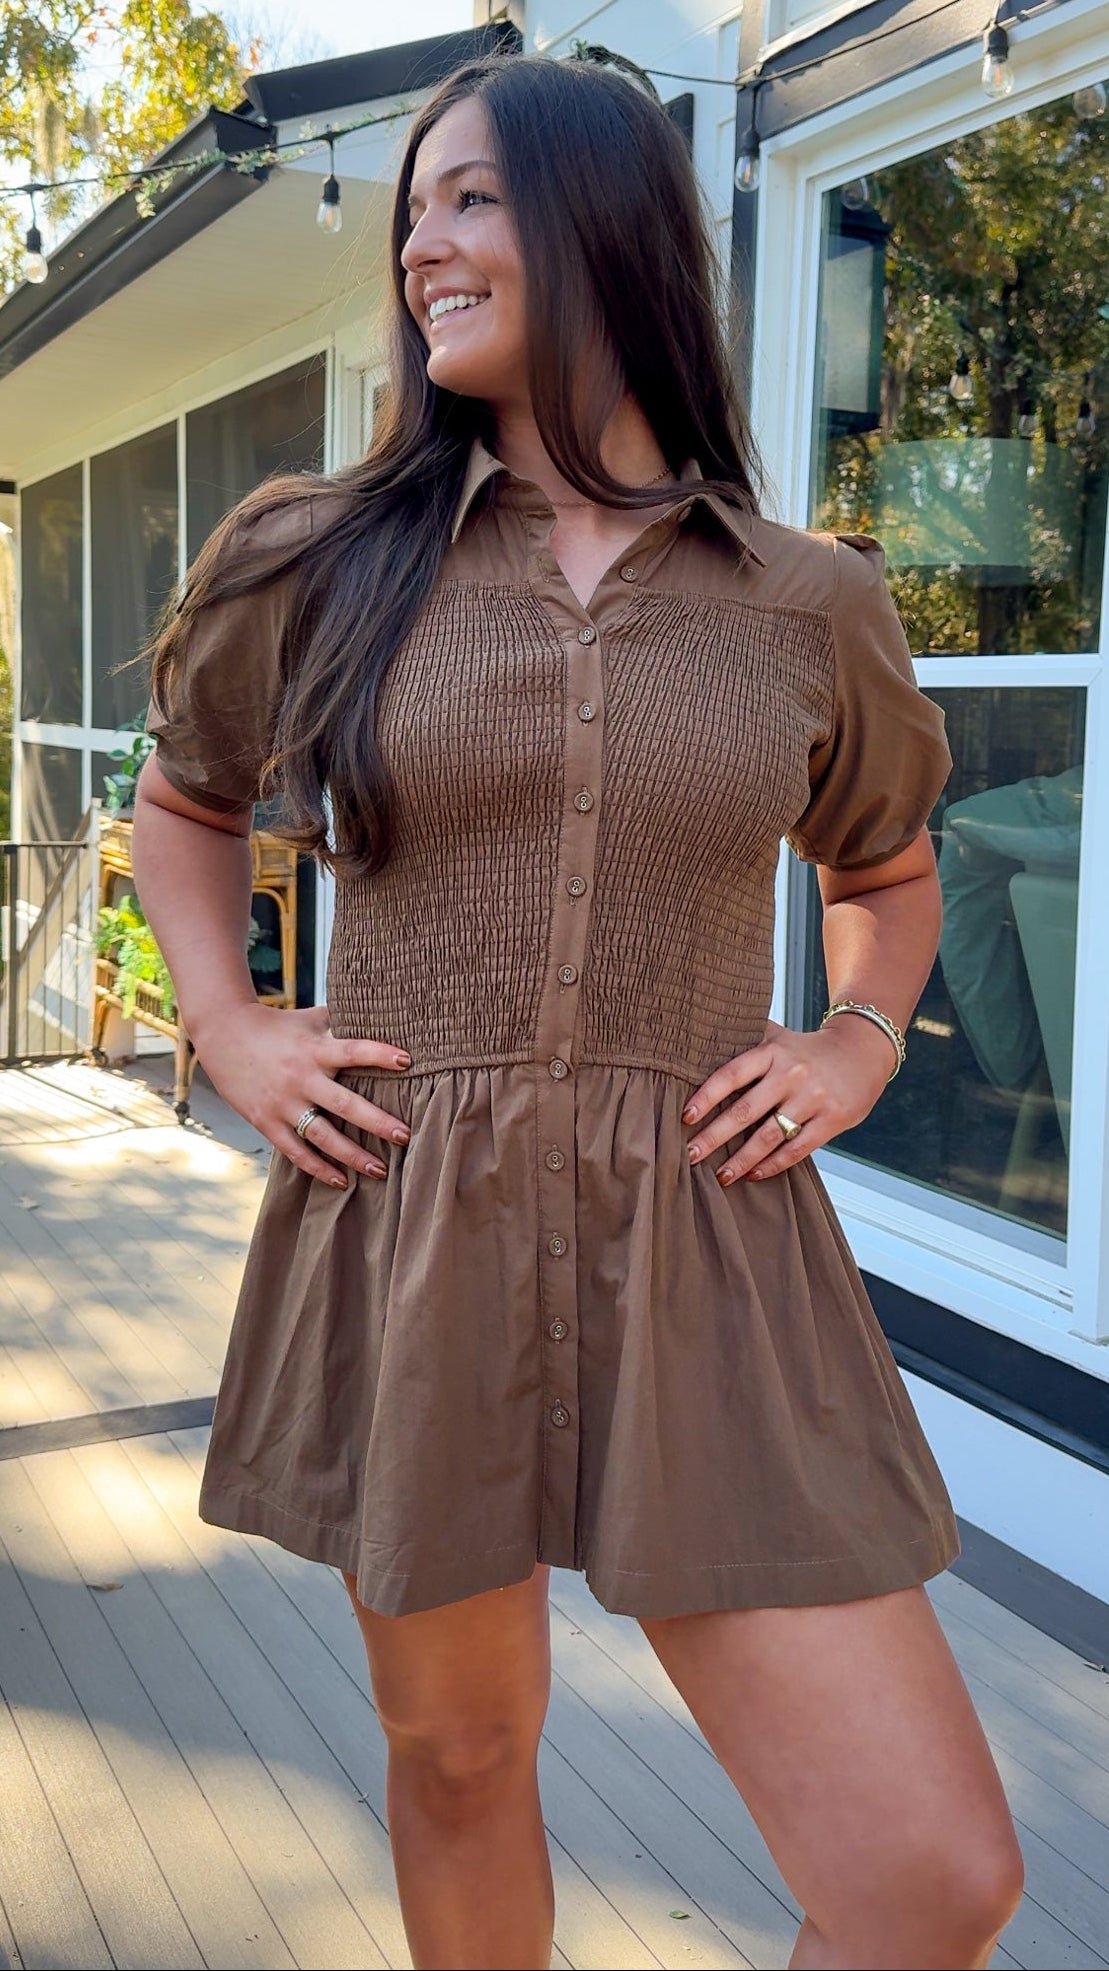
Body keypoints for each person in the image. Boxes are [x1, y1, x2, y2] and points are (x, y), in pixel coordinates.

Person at [133, 50, 1023, 1971]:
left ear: (608, 229)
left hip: (708, 1243)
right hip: (411, 1225)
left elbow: (884, 873)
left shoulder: (805, 599)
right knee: (459, 1758)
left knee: (929, 1878)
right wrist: (233, 1025)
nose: (422, 246)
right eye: (412, 212)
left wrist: (855, 1042)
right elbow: (184, 805)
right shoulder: (312, 552)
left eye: (472, 199)